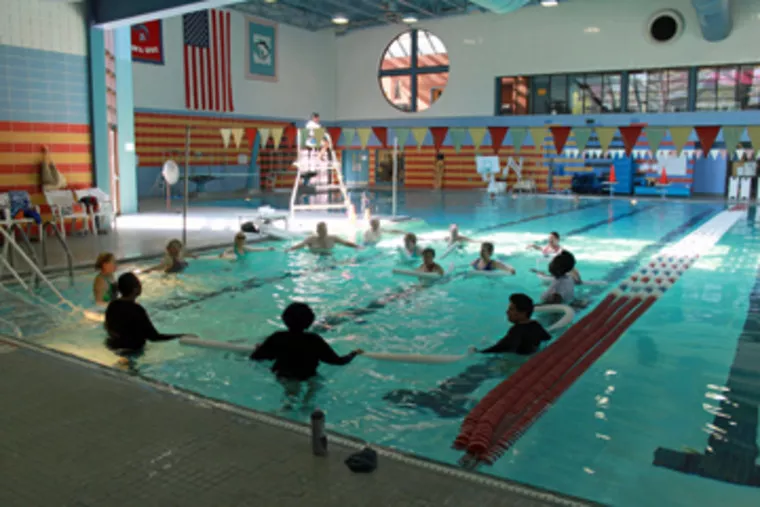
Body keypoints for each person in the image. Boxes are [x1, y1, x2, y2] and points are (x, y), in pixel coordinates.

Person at [250, 303, 363, 401]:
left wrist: (261, 348)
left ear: (284, 319)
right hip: (308, 374)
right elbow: (338, 361)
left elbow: (257, 357)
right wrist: (353, 353)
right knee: (314, 387)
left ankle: (287, 407)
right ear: (310, 321)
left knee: (291, 394)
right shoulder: (314, 339)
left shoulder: (277, 336)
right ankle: (307, 405)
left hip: (282, 374)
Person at [104, 273, 192, 357]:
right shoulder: (137, 309)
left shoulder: (112, 305)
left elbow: (108, 326)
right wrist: (181, 335)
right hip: (132, 349)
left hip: (112, 345)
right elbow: (154, 337)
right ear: (135, 289)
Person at [471, 293, 551, 355]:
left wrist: (478, 352)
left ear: (523, 313)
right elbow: (547, 338)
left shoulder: (516, 331)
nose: (507, 312)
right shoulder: (536, 325)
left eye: (511, 309)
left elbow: (499, 348)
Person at [288, 222, 360, 253]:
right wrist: (289, 249)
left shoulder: (333, 238)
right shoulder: (311, 239)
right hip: (314, 257)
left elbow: (345, 243)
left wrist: (357, 246)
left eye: (325, 230)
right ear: (317, 231)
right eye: (322, 230)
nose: (324, 232)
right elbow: (301, 245)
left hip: (329, 257)